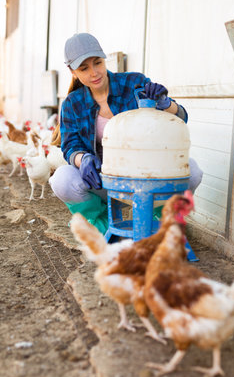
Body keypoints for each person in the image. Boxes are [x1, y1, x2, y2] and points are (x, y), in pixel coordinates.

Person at [49, 33, 203, 234]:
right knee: (62, 179)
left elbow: (181, 119)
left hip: (148, 175)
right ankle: (101, 222)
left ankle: (162, 217)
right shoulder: (72, 103)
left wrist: (166, 104)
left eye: (97, 63)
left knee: (192, 170)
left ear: (104, 60)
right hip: (103, 179)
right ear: (72, 71)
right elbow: (70, 146)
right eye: (84, 68)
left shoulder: (134, 83)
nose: (94, 72)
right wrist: (82, 159)